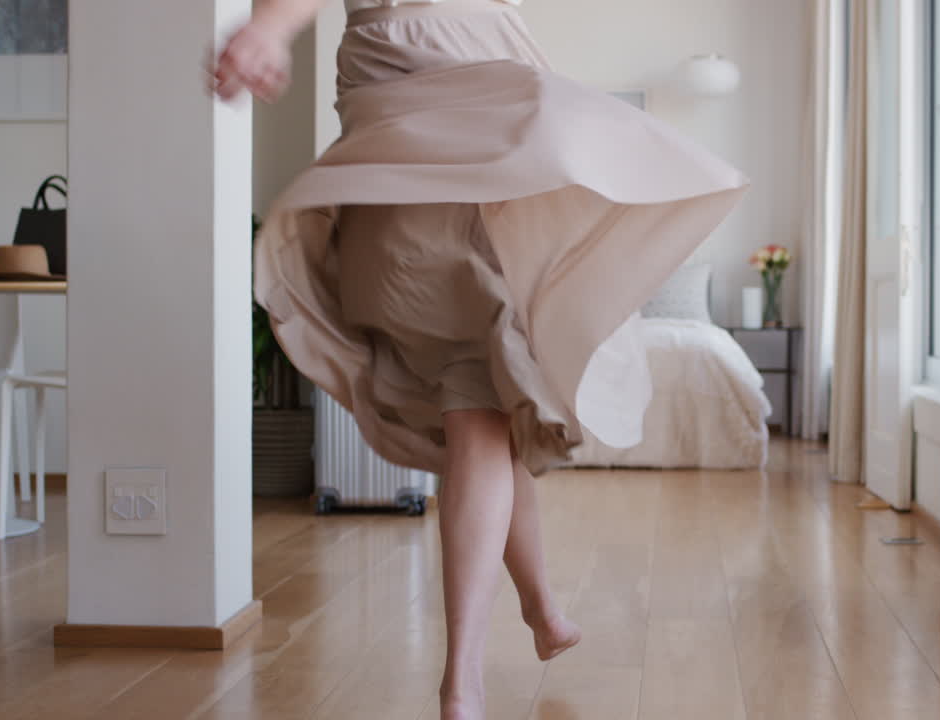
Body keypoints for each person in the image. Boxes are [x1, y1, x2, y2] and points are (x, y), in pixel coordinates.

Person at [213, 1, 747, 718]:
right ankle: (463, 679)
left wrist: (270, 30)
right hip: (445, 189)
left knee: (485, 420)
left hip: (425, 188)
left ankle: (539, 610)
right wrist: (271, 28)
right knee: (480, 414)